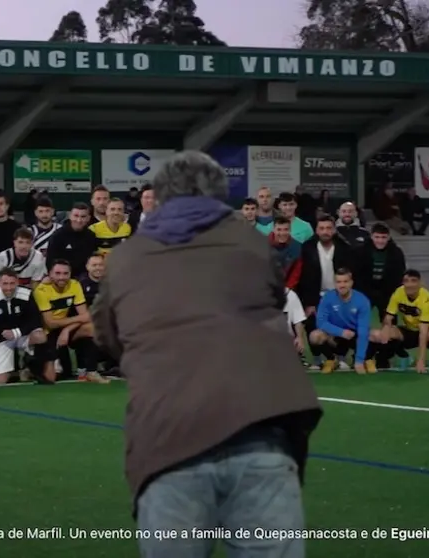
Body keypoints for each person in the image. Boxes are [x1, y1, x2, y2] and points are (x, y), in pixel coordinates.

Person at [91, 150, 322, 558]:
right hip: (261, 428)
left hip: (168, 437)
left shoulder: (127, 256)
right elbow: (273, 302)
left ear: (160, 197)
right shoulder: (252, 243)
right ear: (220, 195)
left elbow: (107, 334)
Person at [297, 214, 356, 370]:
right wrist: (309, 302)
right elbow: (304, 277)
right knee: (312, 327)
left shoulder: (345, 248)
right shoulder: (307, 248)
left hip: (339, 296)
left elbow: (351, 274)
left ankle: (341, 357)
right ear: (316, 230)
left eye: (329, 228)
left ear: (334, 230)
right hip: (315, 296)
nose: (325, 231)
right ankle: (318, 359)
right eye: (322, 228)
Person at [34, 260, 103, 383]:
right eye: (58, 273)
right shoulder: (41, 290)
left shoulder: (74, 285)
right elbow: (50, 323)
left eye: (65, 273)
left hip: (64, 329)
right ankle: (31, 365)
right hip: (47, 333)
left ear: (70, 274)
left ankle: (91, 371)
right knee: (51, 378)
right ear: (50, 274)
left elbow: (86, 316)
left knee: (92, 327)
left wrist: (66, 330)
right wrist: (74, 322)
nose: (62, 277)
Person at [309, 268, 383, 374]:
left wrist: (359, 360)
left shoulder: (362, 300)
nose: (342, 285)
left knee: (377, 335)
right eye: (339, 282)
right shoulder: (327, 298)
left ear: (351, 283)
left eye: (345, 281)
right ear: (335, 284)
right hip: (334, 336)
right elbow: (321, 323)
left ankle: (366, 359)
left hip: (354, 335)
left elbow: (363, 330)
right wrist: (341, 332)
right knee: (315, 336)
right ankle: (331, 359)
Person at [0, 268, 45, 385]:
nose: (8, 288)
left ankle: (29, 363)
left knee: (40, 337)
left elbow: (36, 319)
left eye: (12, 283)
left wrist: (17, 332)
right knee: (0, 381)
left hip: (22, 335)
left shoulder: (27, 294)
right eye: (5, 284)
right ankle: (15, 368)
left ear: (17, 282)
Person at [382, 270, 429, 373]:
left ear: (419, 283)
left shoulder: (427, 298)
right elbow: (388, 316)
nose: (409, 285)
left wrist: (421, 360)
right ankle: (405, 357)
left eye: (413, 281)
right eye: (406, 281)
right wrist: (386, 328)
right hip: (410, 328)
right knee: (386, 333)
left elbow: (423, 331)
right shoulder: (398, 292)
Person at [355, 223, 406, 317]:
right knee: (357, 320)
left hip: (387, 293)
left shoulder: (396, 252)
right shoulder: (360, 251)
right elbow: (356, 273)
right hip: (365, 291)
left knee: (389, 322)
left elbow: (399, 274)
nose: (380, 241)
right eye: (377, 237)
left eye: (383, 237)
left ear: (388, 237)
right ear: (371, 236)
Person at [46, 203, 96, 277]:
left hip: (85, 278)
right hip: (63, 278)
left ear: (88, 218)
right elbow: (50, 261)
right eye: (76, 216)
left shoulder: (91, 236)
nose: (79, 220)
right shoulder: (58, 236)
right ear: (70, 216)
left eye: (83, 216)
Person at [269, 217, 303, 290]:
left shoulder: (297, 247)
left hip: (288, 288)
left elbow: (296, 271)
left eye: (286, 229)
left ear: (290, 230)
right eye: (279, 229)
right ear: (273, 229)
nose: (282, 233)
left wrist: (287, 288)